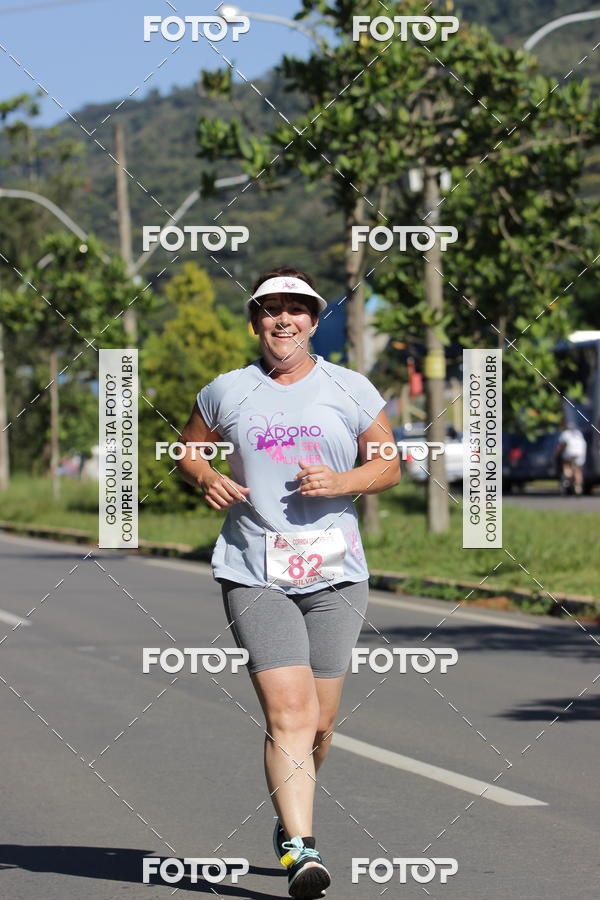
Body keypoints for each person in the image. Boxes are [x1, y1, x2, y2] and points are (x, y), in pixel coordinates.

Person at [178, 266, 400, 899]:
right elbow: (190, 448)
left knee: (321, 725)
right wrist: (205, 476)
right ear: (255, 321)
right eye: (271, 309)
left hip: (335, 574)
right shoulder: (227, 390)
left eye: (296, 308)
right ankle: (302, 850)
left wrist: (345, 482)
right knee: (290, 712)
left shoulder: (349, 387)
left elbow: (388, 464)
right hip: (255, 570)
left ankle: (286, 817)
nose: (284, 319)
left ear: (313, 319)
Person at [556, 420, 587, 495]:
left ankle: (567, 476)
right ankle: (578, 486)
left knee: (566, 464)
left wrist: (557, 453)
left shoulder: (565, 433)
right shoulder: (578, 433)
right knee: (578, 470)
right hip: (580, 452)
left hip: (570, 452)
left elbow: (561, 445)